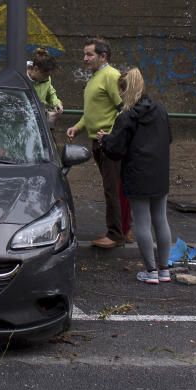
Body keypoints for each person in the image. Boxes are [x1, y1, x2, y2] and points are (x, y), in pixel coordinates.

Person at [98, 68, 173, 284]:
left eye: (121, 92)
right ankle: (164, 269)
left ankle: (150, 272)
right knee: (160, 219)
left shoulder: (127, 116)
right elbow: (168, 137)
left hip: (137, 173)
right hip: (159, 171)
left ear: (125, 90)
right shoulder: (160, 109)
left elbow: (116, 149)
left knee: (141, 221)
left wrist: (105, 140)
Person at [65, 38, 132, 248]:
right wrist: (78, 126)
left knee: (112, 188)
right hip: (99, 140)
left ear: (103, 56)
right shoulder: (96, 76)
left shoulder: (111, 76)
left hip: (108, 143)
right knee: (116, 187)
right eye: (84, 54)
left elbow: (123, 108)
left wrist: (111, 135)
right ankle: (125, 229)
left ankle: (115, 235)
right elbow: (93, 111)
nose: (85, 58)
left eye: (89, 54)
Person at [27, 48, 64, 127]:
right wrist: (46, 115)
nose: (47, 78)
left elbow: (50, 93)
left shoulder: (47, 79)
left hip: (38, 121)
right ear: (36, 69)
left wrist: (56, 103)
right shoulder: (20, 78)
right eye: (45, 75)